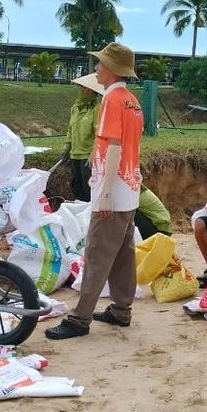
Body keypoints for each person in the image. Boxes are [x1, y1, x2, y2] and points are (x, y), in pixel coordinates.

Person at [46, 42, 143, 340]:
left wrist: (103, 194)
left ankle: (79, 319)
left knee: (97, 253)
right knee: (123, 254)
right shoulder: (132, 101)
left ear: (112, 70)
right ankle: (121, 309)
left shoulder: (112, 101)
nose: (96, 69)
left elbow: (113, 147)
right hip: (129, 187)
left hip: (113, 190)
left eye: (100, 64)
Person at [62, 73, 103, 202]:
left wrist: (93, 154)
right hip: (75, 155)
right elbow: (70, 130)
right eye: (82, 87)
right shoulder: (75, 108)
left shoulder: (97, 109)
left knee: (88, 190)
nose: (83, 90)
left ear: (94, 92)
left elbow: (99, 133)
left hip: (87, 157)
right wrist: (66, 148)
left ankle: (89, 217)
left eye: (87, 88)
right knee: (77, 189)